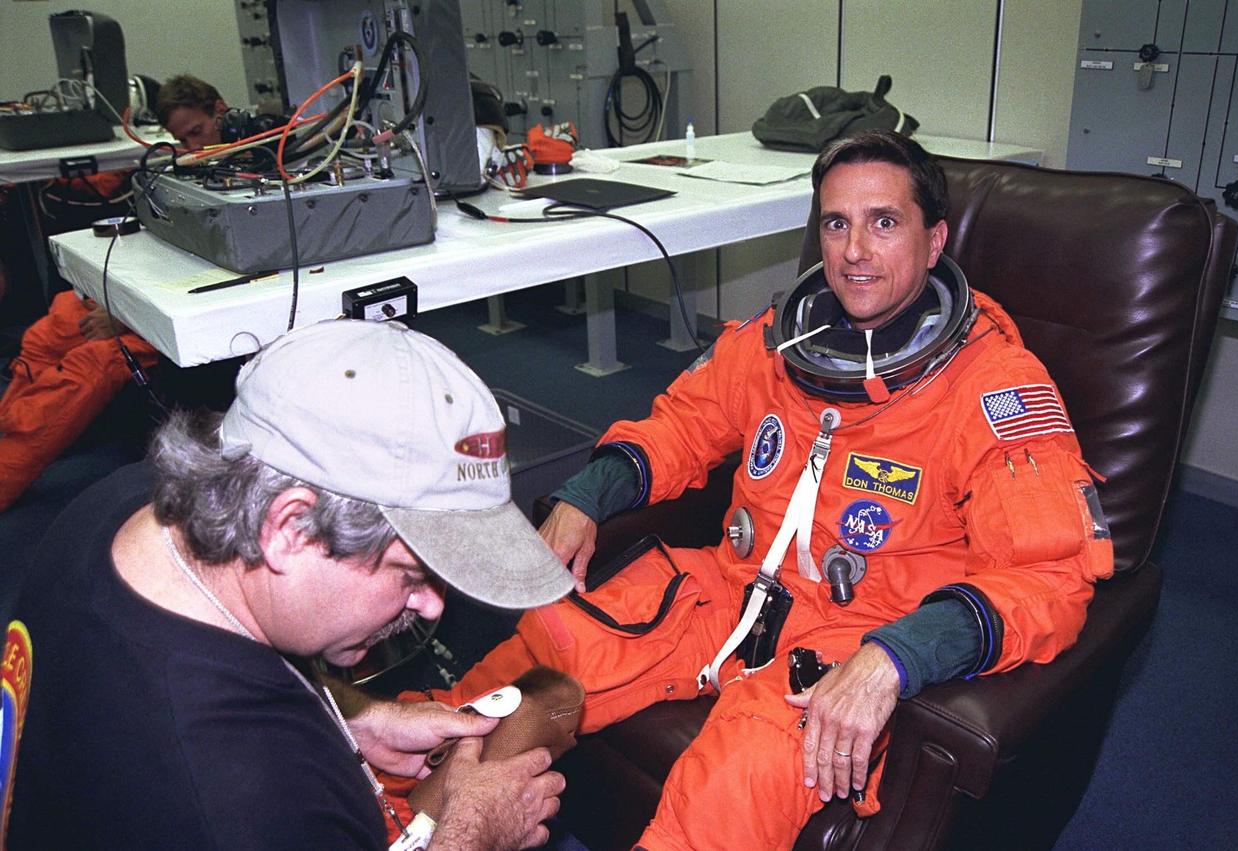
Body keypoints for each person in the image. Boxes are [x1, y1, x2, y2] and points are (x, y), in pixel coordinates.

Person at [427, 130, 1116, 849]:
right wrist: (583, 495)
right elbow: (683, 426)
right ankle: (397, 809)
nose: (854, 250)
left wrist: (897, 656)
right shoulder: (780, 344)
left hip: (852, 642)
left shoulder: (994, 386)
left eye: (884, 222)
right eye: (836, 223)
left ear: (935, 237)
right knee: (548, 652)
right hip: (728, 592)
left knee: (730, 784)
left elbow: (1049, 576)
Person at [5, 319, 575, 849]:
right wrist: (471, 835)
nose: (430, 607)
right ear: (288, 528)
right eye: (412, 574)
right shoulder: (251, 801)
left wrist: (351, 711)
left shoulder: (128, 502)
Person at [0, 75, 234, 512]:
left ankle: (9, 467)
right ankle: (10, 425)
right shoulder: (186, 169)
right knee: (56, 323)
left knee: (92, 364)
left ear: (219, 111)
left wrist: (126, 317)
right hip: (155, 290)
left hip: (185, 312)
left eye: (197, 133)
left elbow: (238, 279)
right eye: (180, 139)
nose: (190, 148)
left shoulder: (261, 164)